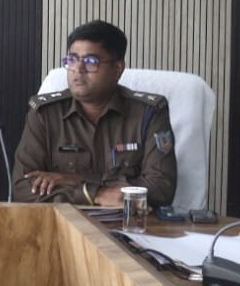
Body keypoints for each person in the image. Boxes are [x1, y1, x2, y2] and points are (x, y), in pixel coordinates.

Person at [11, 20, 177, 207]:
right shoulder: (45, 114)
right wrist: (95, 194)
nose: (78, 69)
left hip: (128, 222)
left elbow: (161, 189)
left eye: (91, 62)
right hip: (63, 222)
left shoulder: (149, 113)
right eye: (72, 60)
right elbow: (23, 188)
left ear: (117, 69)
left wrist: (74, 181)